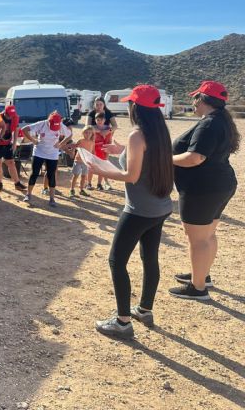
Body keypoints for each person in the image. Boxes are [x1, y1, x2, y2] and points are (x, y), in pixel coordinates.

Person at [88, 85, 173, 339]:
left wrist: (98, 169)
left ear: (135, 107)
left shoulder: (138, 135)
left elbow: (131, 176)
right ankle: (145, 309)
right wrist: (121, 151)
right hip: (160, 208)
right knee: (150, 259)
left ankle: (123, 322)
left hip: (139, 210)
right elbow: (143, 159)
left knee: (116, 261)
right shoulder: (159, 131)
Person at [169, 81, 239, 300]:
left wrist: (164, 158)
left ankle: (197, 288)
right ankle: (202, 274)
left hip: (202, 189)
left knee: (198, 240)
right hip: (219, 185)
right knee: (208, 235)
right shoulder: (220, 121)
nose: (193, 102)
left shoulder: (209, 124)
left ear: (202, 99)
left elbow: (194, 158)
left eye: (195, 98)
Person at [21, 111, 72, 208]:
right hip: (39, 152)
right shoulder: (41, 124)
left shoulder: (60, 125)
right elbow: (24, 129)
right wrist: (33, 140)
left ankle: (52, 198)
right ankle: (28, 194)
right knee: (35, 173)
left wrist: (61, 144)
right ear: (49, 121)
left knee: (51, 174)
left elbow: (69, 135)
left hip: (52, 153)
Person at [0, 105, 26, 192]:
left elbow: (16, 130)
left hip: (8, 142)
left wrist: (15, 143)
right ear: (5, 113)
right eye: (9, 115)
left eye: (12, 115)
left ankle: (17, 183)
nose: (10, 117)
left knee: (11, 162)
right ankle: (0, 183)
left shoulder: (14, 117)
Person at [69, 126, 95, 197]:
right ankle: (72, 189)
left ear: (92, 134)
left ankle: (81, 190)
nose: (88, 134)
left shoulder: (92, 142)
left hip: (86, 162)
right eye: (86, 133)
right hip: (78, 160)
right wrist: (72, 153)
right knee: (75, 175)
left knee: (84, 176)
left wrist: (93, 160)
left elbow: (92, 152)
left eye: (90, 133)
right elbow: (74, 147)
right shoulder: (81, 140)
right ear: (83, 133)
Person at [91, 112, 113, 191]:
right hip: (94, 149)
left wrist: (108, 151)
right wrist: (99, 132)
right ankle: (89, 183)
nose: (99, 121)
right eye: (98, 119)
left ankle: (99, 183)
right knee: (91, 166)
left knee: (102, 167)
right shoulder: (92, 128)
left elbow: (109, 141)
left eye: (101, 119)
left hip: (103, 149)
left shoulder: (108, 128)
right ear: (95, 120)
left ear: (104, 120)